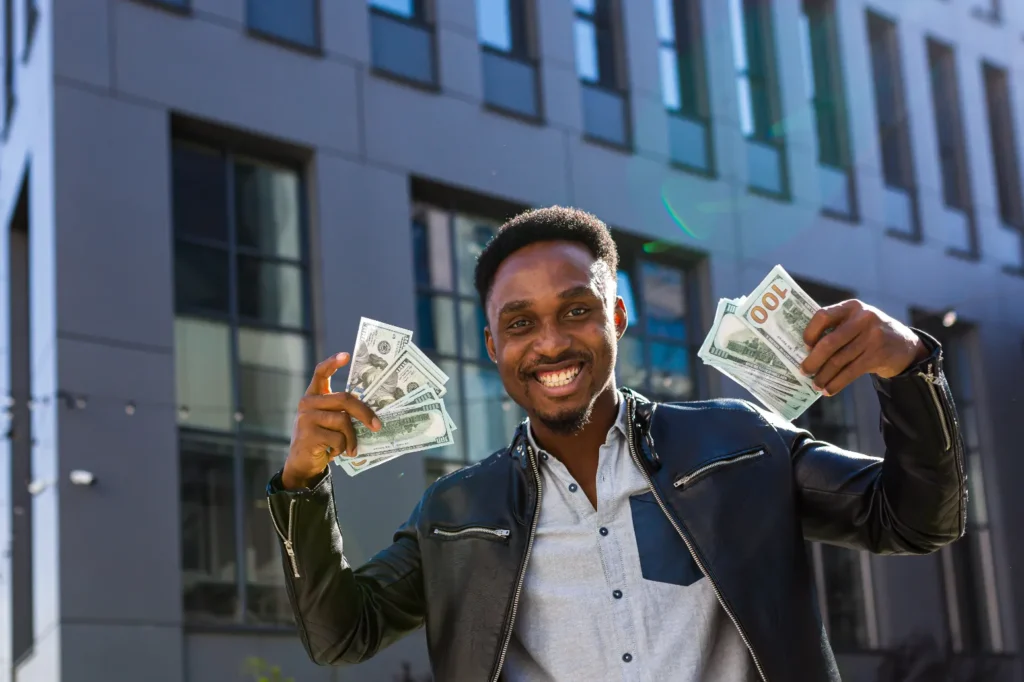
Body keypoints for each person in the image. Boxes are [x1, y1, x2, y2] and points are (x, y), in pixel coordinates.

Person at [266, 207, 966, 682]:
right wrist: (301, 485)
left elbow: (916, 519)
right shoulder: (454, 512)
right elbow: (341, 634)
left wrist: (908, 367)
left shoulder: (742, 445)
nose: (550, 343)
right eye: (520, 324)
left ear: (618, 317)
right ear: (493, 345)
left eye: (577, 311)